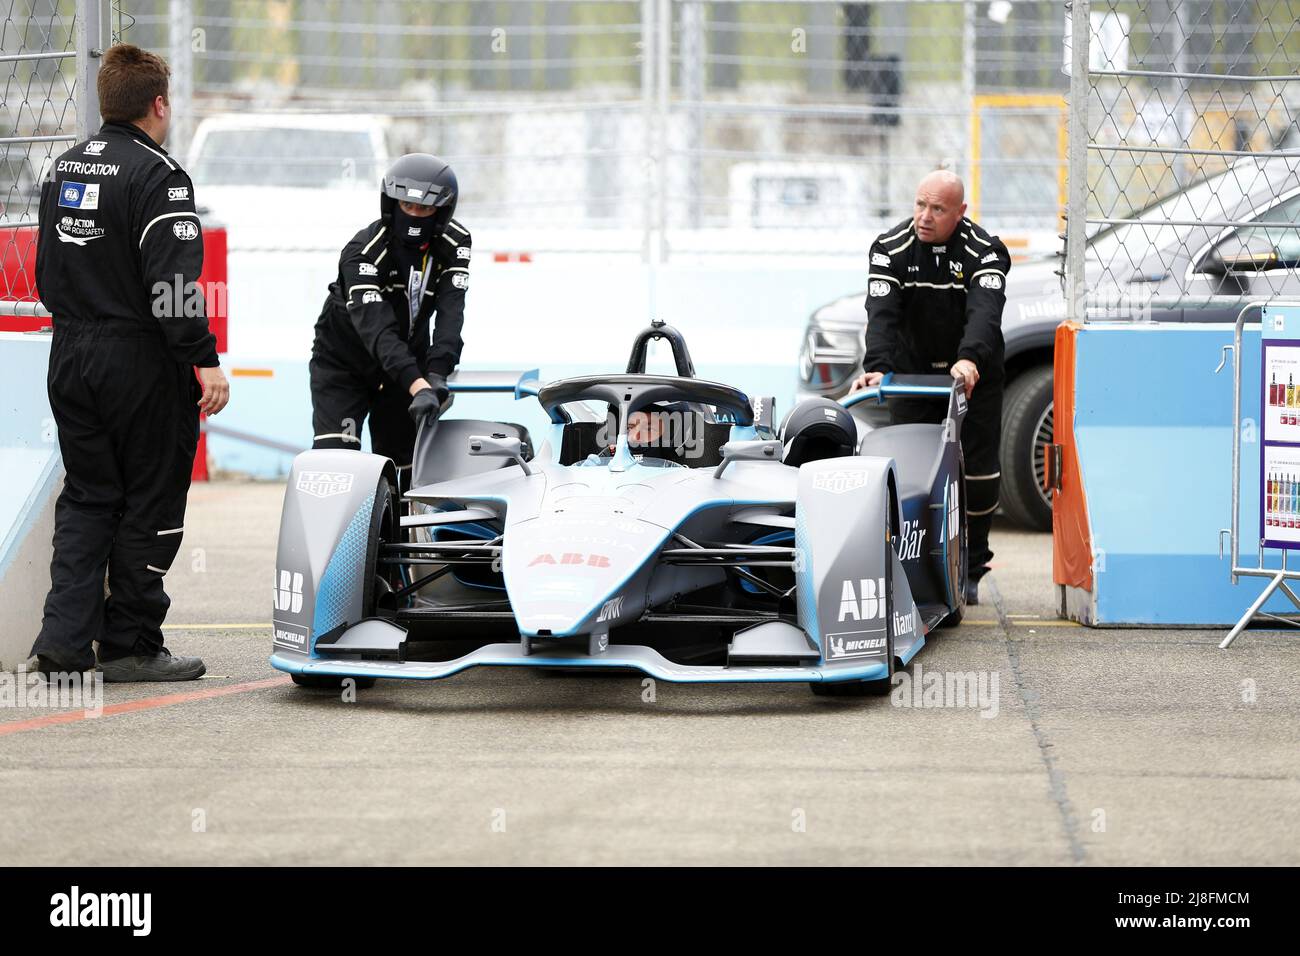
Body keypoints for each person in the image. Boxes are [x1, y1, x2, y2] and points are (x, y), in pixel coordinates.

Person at [30, 44, 229, 681]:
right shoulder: (160, 175)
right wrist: (204, 360)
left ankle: (63, 647)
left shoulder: (62, 168)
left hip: (70, 352)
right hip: (138, 362)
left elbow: (44, 274)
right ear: (159, 103)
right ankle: (131, 646)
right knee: (150, 503)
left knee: (88, 499)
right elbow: (171, 287)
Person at [850, 169, 1010, 604]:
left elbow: (985, 311)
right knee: (910, 470)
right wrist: (879, 368)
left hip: (972, 374)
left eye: (937, 209)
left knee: (977, 472)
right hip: (912, 375)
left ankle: (974, 563)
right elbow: (881, 313)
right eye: (920, 204)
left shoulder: (987, 251)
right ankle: (911, 560)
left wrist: (969, 358)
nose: (924, 216)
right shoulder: (888, 249)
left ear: (960, 212)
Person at [309, 153, 470, 489]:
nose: (414, 215)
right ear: (391, 203)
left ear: (442, 211)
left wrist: (437, 376)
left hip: (407, 366)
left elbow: (451, 315)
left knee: (406, 470)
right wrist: (419, 385)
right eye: (407, 206)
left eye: (424, 209)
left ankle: (403, 540)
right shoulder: (363, 251)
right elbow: (377, 329)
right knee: (340, 464)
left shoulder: (455, 244)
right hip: (345, 367)